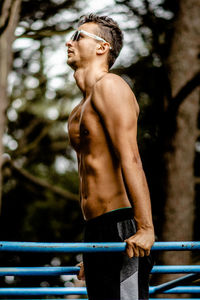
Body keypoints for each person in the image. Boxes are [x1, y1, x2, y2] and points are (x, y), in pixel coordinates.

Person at [66, 13, 155, 300]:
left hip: (122, 226)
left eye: (79, 36)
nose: (69, 42)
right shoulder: (79, 109)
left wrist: (145, 228)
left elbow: (131, 158)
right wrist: (93, 253)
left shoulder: (111, 86)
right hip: (96, 230)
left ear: (102, 47)